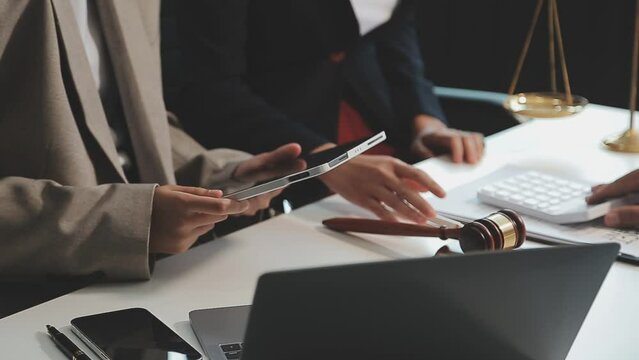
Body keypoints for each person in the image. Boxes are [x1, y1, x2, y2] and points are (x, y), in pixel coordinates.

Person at [0, 0, 302, 281]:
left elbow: (126, 123)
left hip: (150, 276)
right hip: (33, 296)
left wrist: (218, 176)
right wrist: (127, 222)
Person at [162, 0, 459, 222]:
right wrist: (326, 160)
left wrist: (425, 120)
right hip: (271, 149)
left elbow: (395, 27)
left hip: (373, 125)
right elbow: (209, 90)